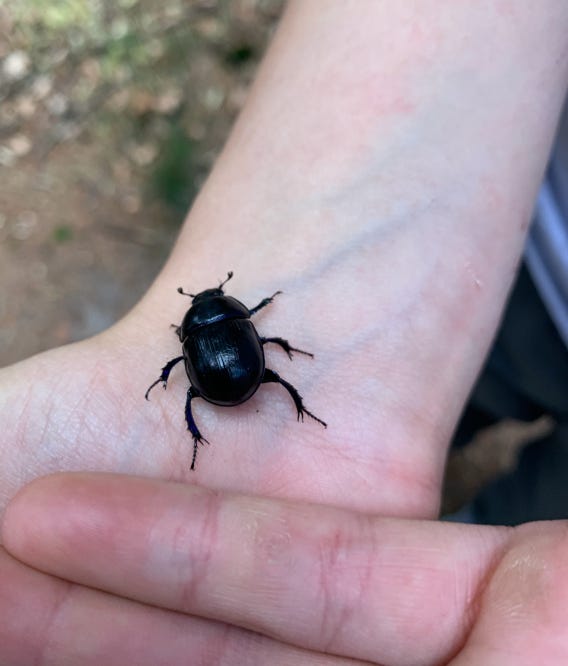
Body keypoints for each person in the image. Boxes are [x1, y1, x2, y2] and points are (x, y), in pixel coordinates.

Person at [2, 2, 568, 663]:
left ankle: (459, 541)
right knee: (271, 368)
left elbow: (185, 368)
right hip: (526, 283)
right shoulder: (239, 325)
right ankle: (454, 539)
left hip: (232, 382)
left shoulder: (197, 338)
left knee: (207, 385)